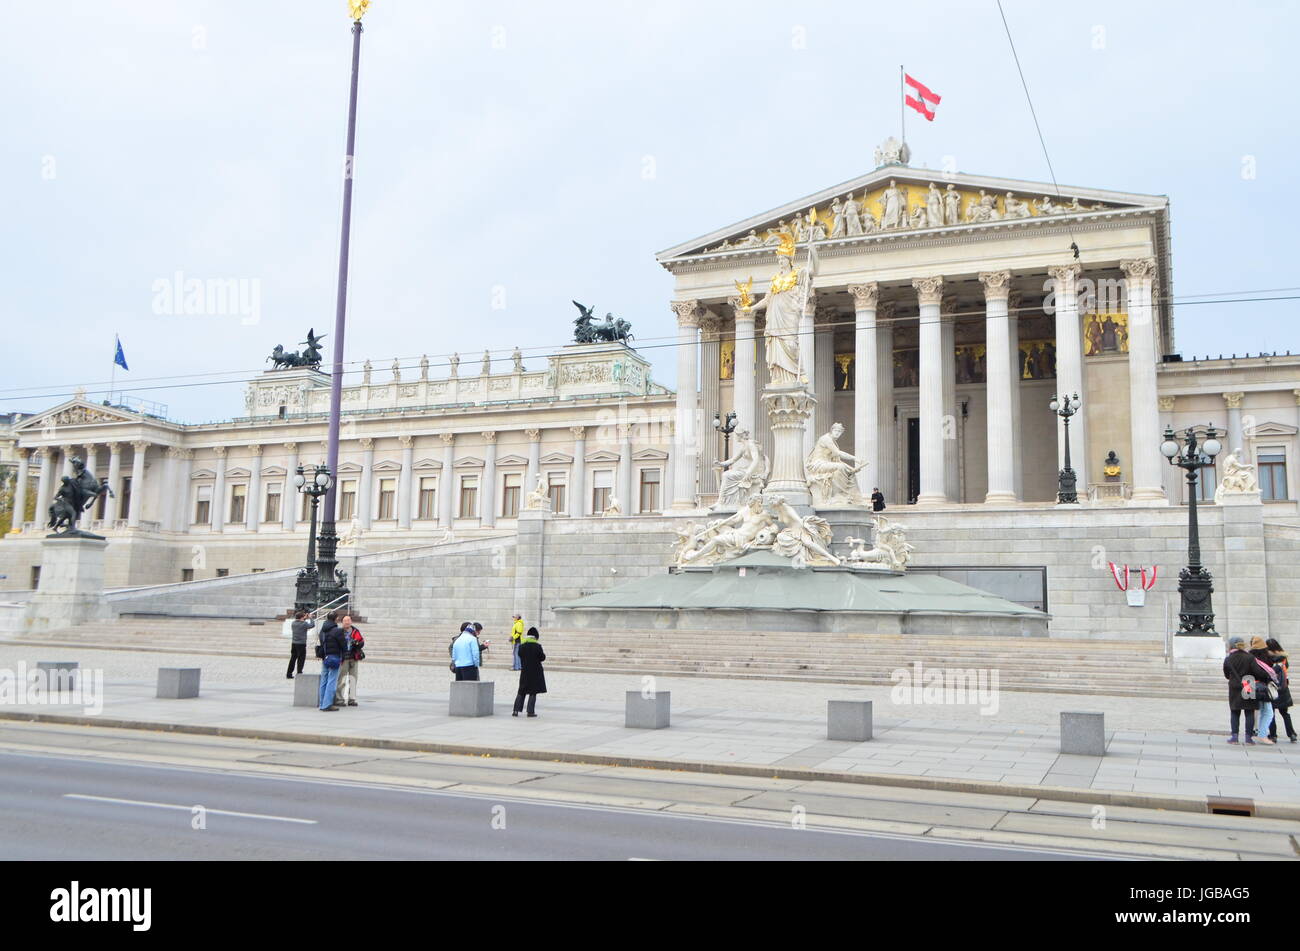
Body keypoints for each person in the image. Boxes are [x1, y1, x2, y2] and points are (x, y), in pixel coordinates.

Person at [1223, 636, 1260, 744]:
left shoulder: (1229, 659)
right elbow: (1257, 671)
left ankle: (1234, 737)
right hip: (1248, 684)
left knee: (1235, 711)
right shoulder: (1250, 657)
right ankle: (1248, 737)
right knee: (1249, 712)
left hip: (1235, 686)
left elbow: (1226, 675)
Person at [1251, 636, 1280, 744]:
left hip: (1252, 686)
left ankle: (1257, 733)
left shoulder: (1250, 657)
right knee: (1268, 712)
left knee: (1261, 711)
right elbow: (1262, 674)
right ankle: (1262, 735)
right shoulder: (1263, 660)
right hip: (1262, 688)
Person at [1266, 638, 1296, 742]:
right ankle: (1291, 734)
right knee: (1285, 713)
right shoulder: (1283, 658)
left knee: (1271, 713)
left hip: (1272, 688)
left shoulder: (1268, 658)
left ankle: (1273, 735)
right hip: (1283, 688)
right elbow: (1285, 669)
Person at [512, 627, 547, 718]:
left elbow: (520, 655)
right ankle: (530, 711)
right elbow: (542, 658)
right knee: (533, 692)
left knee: (521, 691)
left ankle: (516, 710)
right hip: (535, 672)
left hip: (525, 671)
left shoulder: (522, 646)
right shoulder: (538, 646)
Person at [334, 616, 365, 707]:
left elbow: (362, 642)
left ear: (351, 621)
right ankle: (339, 699)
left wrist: (357, 643)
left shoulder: (355, 631)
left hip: (354, 658)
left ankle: (352, 699)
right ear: (342, 622)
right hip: (344, 659)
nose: (347, 622)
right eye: (345, 621)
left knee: (353, 679)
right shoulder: (339, 632)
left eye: (348, 620)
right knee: (341, 679)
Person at [318, 619, 347, 712]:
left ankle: (322, 703)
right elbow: (343, 645)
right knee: (332, 681)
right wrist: (344, 655)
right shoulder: (337, 631)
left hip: (325, 657)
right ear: (336, 619)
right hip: (334, 657)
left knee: (324, 680)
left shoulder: (322, 631)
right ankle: (327, 704)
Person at [287, 610, 314, 679]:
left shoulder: (293, 623)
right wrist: (310, 618)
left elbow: (301, 621)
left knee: (293, 658)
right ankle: (299, 672)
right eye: (304, 616)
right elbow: (312, 625)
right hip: (301, 644)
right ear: (302, 617)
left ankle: (289, 673)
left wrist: (305, 617)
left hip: (294, 643)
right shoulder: (304, 624)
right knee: (301, 659)